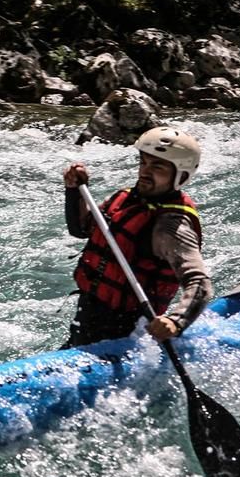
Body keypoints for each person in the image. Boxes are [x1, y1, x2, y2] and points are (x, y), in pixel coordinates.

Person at [63, 126, 213, 347]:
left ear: (180, 175)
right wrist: (74, 190)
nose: (145, 171)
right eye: (143, 162)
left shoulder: (170, 226)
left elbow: (200, 283)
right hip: (89, 319)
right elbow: (81, 229)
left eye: (158, 166)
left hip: (128, 335)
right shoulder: (127, 199)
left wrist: (176, 321)